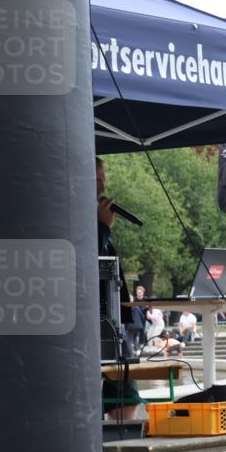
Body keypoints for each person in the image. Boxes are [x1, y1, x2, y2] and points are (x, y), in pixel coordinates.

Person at [96, 157, 139, 420]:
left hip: (111, 322)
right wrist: (102, 226)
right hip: (89, 323)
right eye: (97, 179)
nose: (103, 186)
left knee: (127, 397)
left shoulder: (100, 222)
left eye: (104, 179)